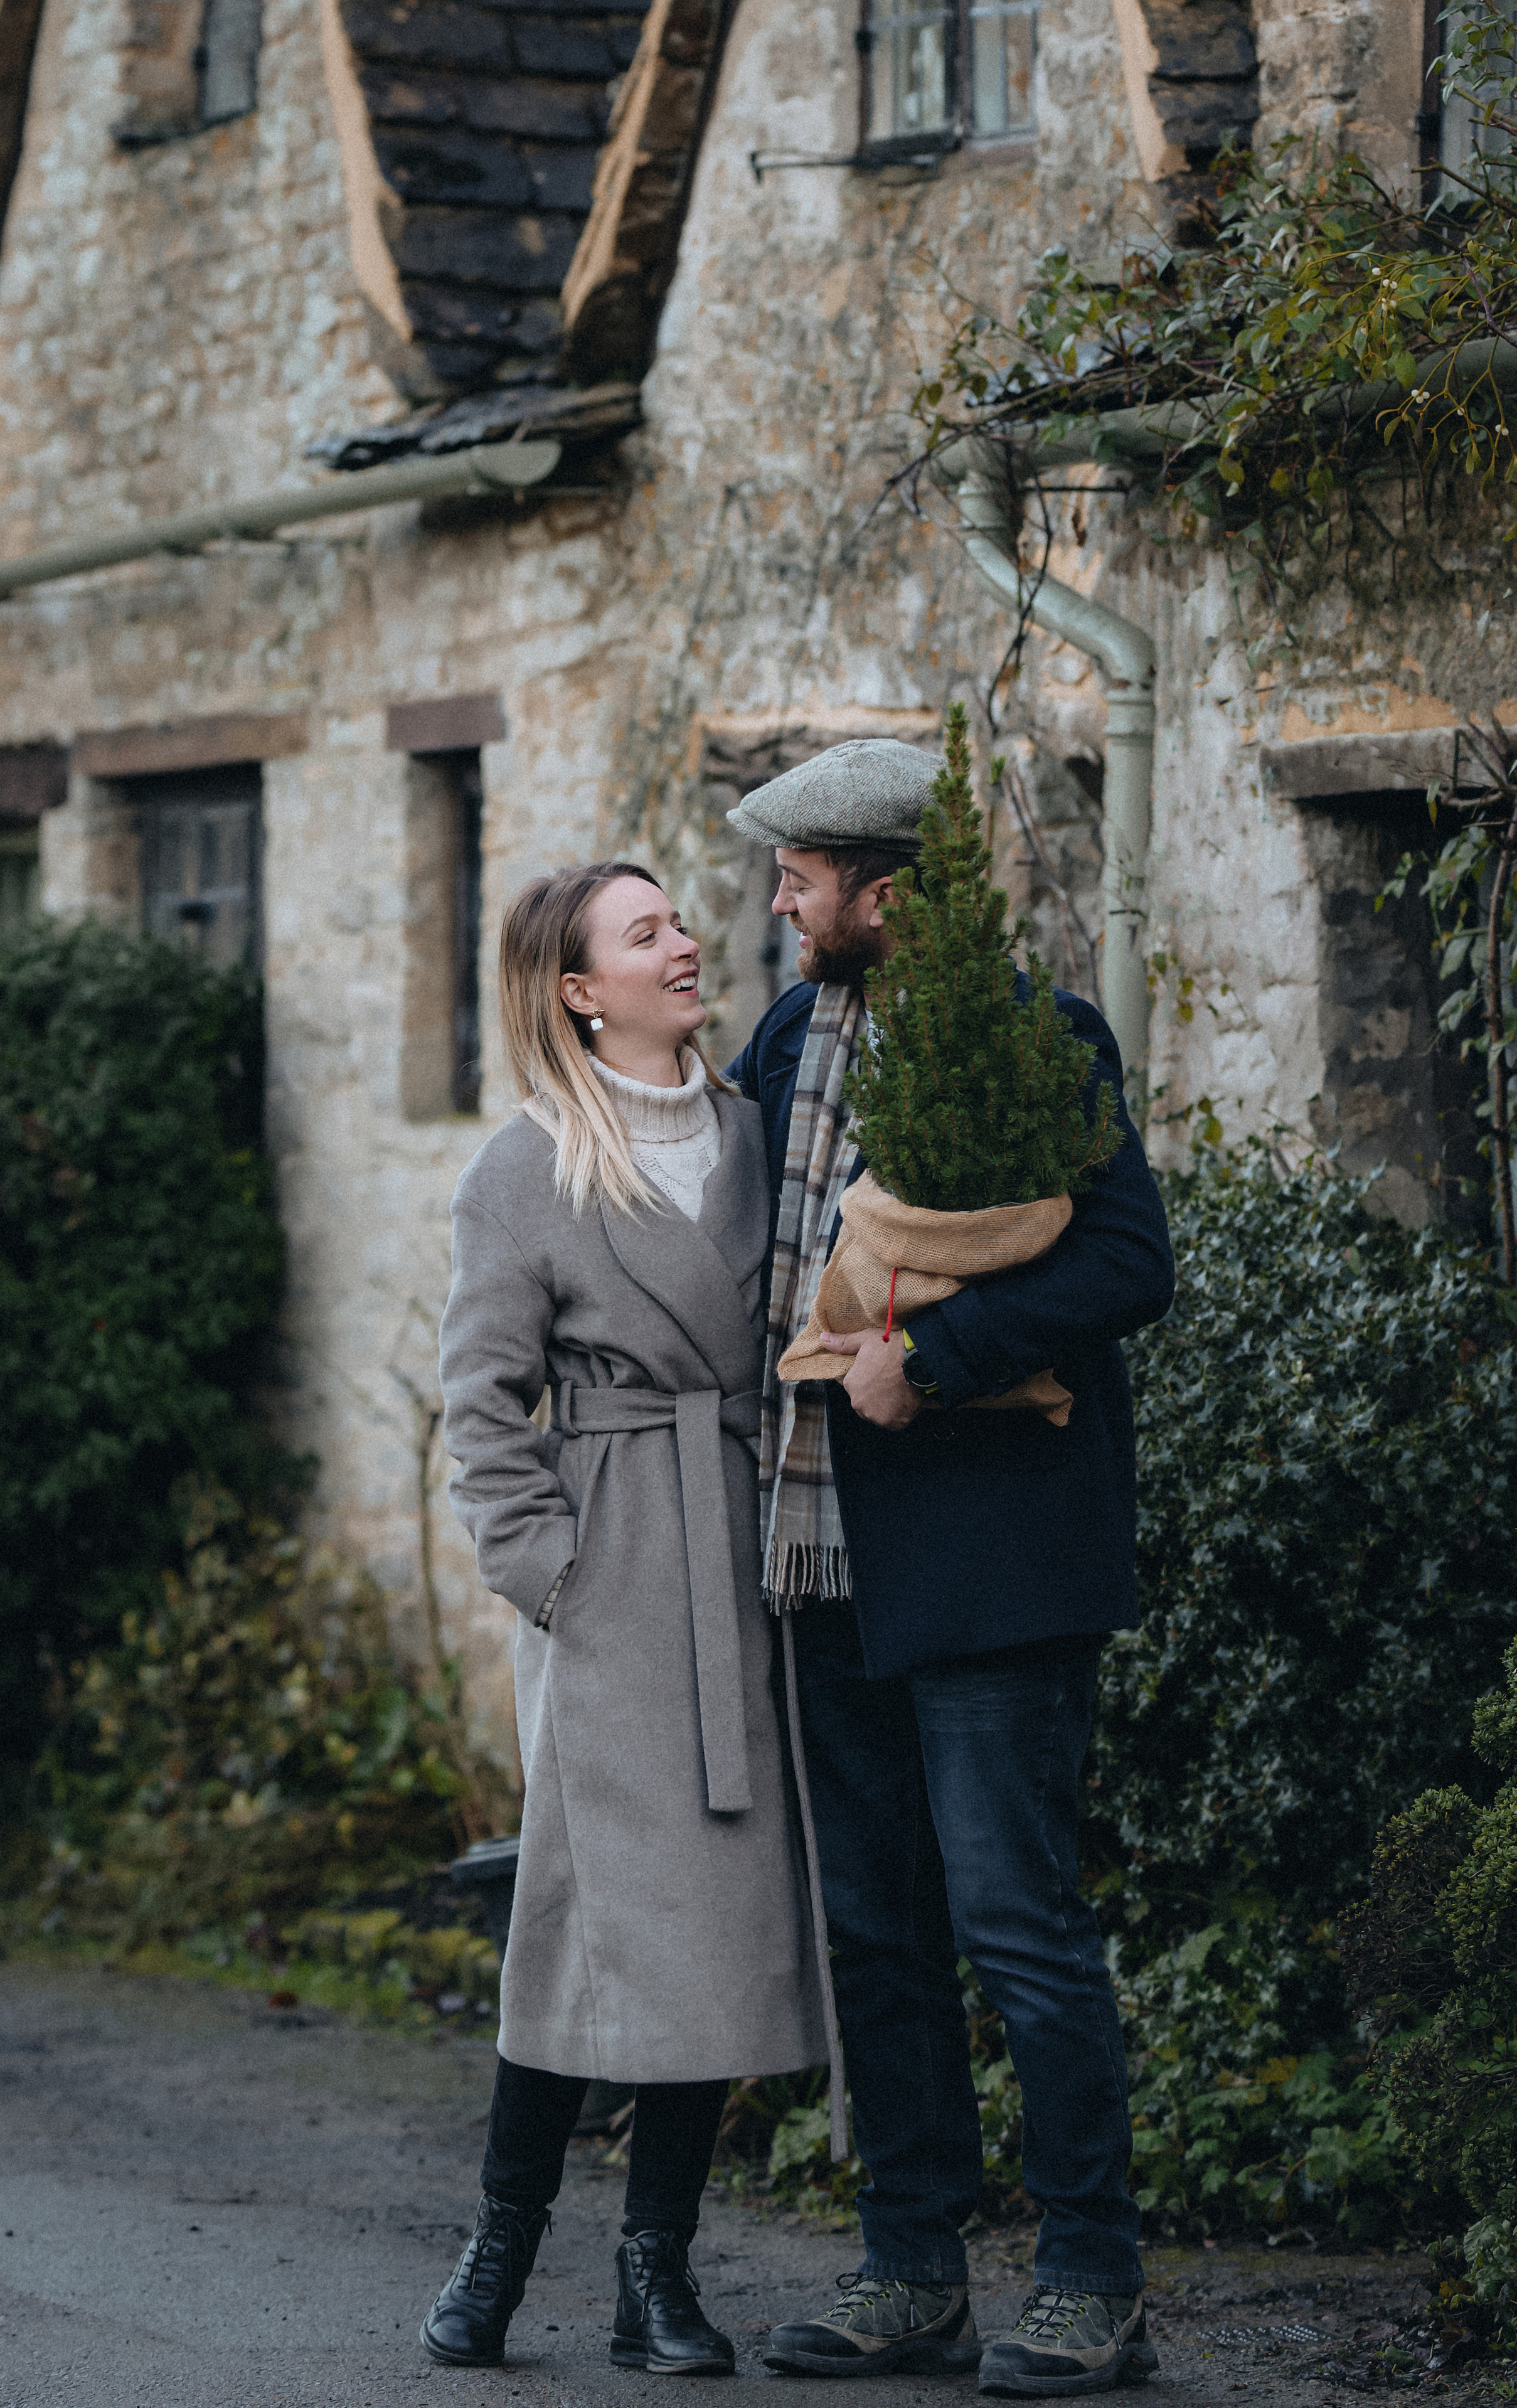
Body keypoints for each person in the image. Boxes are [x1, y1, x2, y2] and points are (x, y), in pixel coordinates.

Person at [723, 742, 1176, 2398]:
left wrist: (951, 1350)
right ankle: (912, 2270)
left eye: (803, 877)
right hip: (818, 1551)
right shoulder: (788, 1034)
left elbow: (1134, 1259)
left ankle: (1090, 2283)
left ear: (888, 894)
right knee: (878, 1928)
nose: (779, 902)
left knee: (1016, 1920)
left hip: (990, 1561)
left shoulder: (1038, 1037)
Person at [425, 860, 830, 2378]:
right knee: (583, 1922)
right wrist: (552, 1576)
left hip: (741, 1563)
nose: (683, 946)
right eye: (644, 932)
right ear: (580, 988)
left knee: (715, 1935)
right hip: (608, 1585)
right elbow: (479, 1405)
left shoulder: (749, 1136)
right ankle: (500, 2242)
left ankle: (654, 2270)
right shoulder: (520, 1168)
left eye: (676, 923)